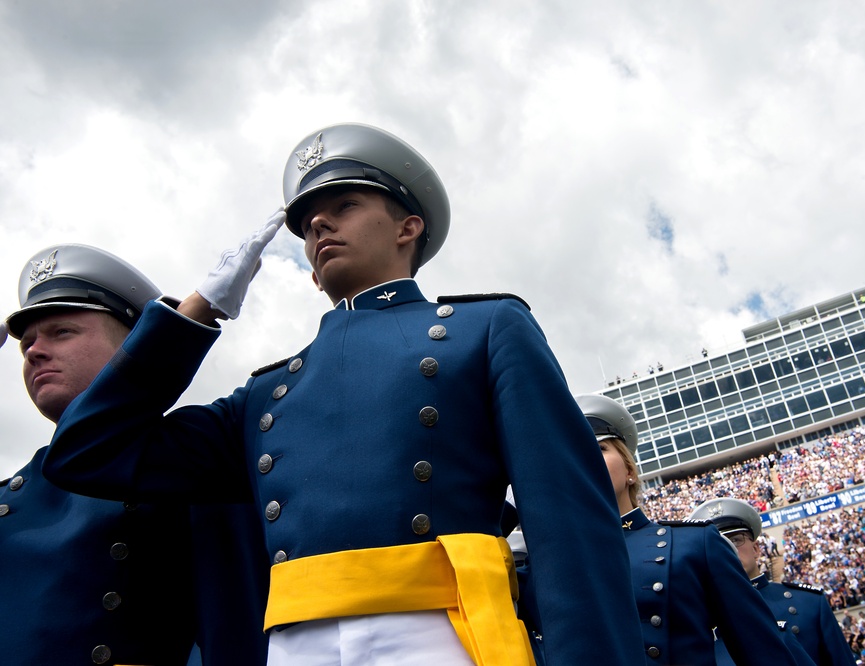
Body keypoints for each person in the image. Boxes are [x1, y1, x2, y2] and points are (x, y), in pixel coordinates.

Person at [43, 123, 644, 665]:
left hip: (438, 634)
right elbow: (89, 451)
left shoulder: (484, 330)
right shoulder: (267, 393)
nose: (319, 226)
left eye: (345, 205)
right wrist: (194, 315)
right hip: (293, 645)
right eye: (307, 225)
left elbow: (568, 524)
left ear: (409, 227)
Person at [1, 244, 269, 665]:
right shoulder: (9, 501)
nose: (34, 351)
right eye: (26, 344)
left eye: (62, 332)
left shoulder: (205, 461)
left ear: (137, 343)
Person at [570, 393, 799, 665]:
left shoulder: (694, 543)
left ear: (630, 470)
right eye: (576, 453)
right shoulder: (556, 563)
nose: (587, 459)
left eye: (599, 449)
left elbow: (763, 652)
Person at [689, 497, 857, 666]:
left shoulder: (808, 602)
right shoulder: (701, 622)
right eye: (718, 545)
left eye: (735, 540)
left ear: (756, 549)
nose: (730, 550)